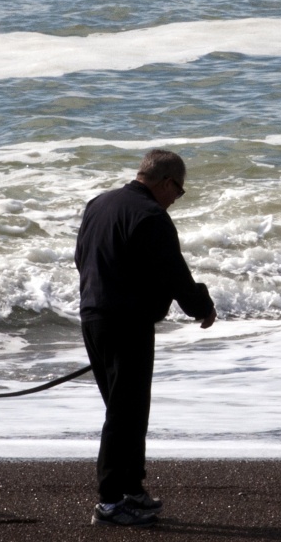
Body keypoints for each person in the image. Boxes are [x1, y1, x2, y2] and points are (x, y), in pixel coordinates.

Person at [73, 149, 217, 527]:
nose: (175, 200)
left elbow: (81, 257)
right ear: (166, 182)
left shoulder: (98, 204)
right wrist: (202, 307)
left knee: (125, 410)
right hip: (126, 323)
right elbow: (175, 274)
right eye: (178, 192)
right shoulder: (152, 216)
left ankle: (131, 489)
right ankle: (108, 502)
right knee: (125, 414)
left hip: (93, 317)